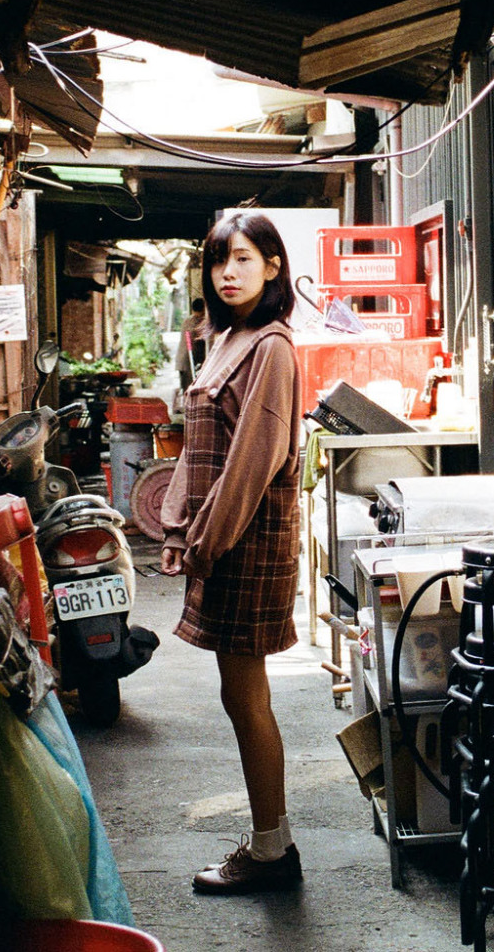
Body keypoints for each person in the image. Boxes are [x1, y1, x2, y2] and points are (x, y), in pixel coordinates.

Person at [159, 210, 305, 895]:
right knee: (237, 692)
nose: (230, 272)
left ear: (273, 266)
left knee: (247, 698)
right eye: (220, 260)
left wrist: (206, 542)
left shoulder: (271, 347)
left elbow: (251, 461)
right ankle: (270, 839)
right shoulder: (225, 339)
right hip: (222, 535)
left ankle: (273, 851)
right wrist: (175, 528)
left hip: (249, 538)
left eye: (244, 258)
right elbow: (196, 450)